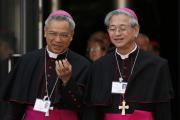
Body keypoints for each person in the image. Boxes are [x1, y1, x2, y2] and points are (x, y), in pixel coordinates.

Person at [84, 8, 174, 120]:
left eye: (122, 28)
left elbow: (163, 110)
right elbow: (92, 111)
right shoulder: (99, 66)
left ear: (135, 30)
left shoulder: (157, 65)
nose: (117, 33)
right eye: (112, 29)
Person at [0, 10, 90, 120]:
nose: (58, 40)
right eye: (53, 33)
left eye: (63, 35)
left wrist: (68, 81)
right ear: (44, 32)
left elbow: (82, 107)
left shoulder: (83, 64)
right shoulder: (27, 61)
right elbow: (14, 107)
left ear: (71, 36)